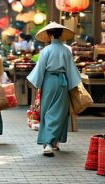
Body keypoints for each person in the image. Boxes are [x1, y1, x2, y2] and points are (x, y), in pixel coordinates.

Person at [26, 22, 82, 157]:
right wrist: (72, 85)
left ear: (50, 35)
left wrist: (36, 83)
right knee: (60, 112)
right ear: (61, 35)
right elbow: (71, 70)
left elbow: (40, 69)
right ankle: (53, 142)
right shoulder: (66, 50)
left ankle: (49, 144)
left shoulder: (46, 50)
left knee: (48, 111)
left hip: (49, 82)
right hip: (62, 82)